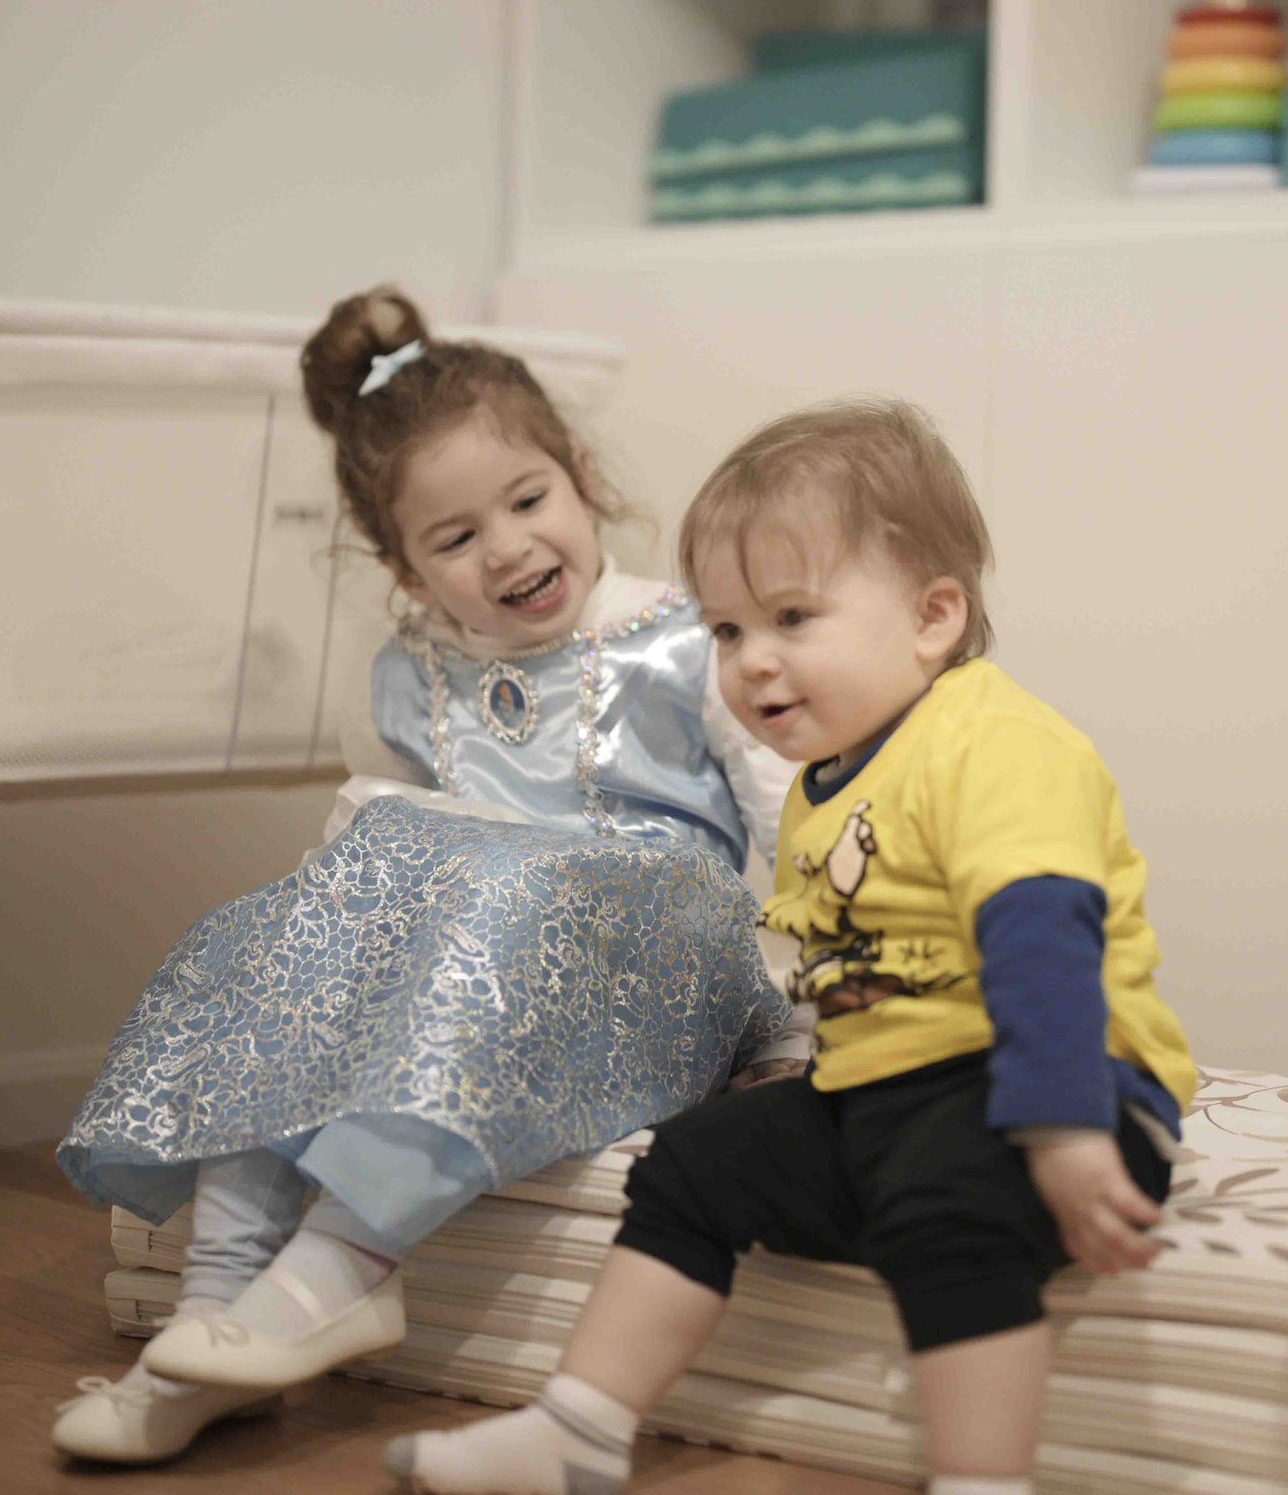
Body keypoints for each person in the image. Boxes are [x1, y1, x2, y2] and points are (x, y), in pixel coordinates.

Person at [381, 399, 1198, 1495]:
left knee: (947, 1195)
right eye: (726, 631)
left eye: (792, 617)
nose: (751, 662)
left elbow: (1041, 943)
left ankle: (982, 1477)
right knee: (695, 1161)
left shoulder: (992, 741)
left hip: (1054, 1090)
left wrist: (1064, 1133)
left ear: (932, 616)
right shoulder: (826, 781)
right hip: (884, 1093)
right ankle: (576, 1428)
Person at [49, 288, 801, 1465]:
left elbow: (796, 818)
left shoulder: (682, 638)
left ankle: (342, 1266)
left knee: (510, 888)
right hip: (482, 973)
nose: (506, 547)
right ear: (404, 571)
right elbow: (378, 854)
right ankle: (216, 1311)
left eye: (527, 499)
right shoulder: (407, 678)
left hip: (656, 962)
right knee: (288, 922)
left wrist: (811, 1003)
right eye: (454, 539)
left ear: (582, 477)